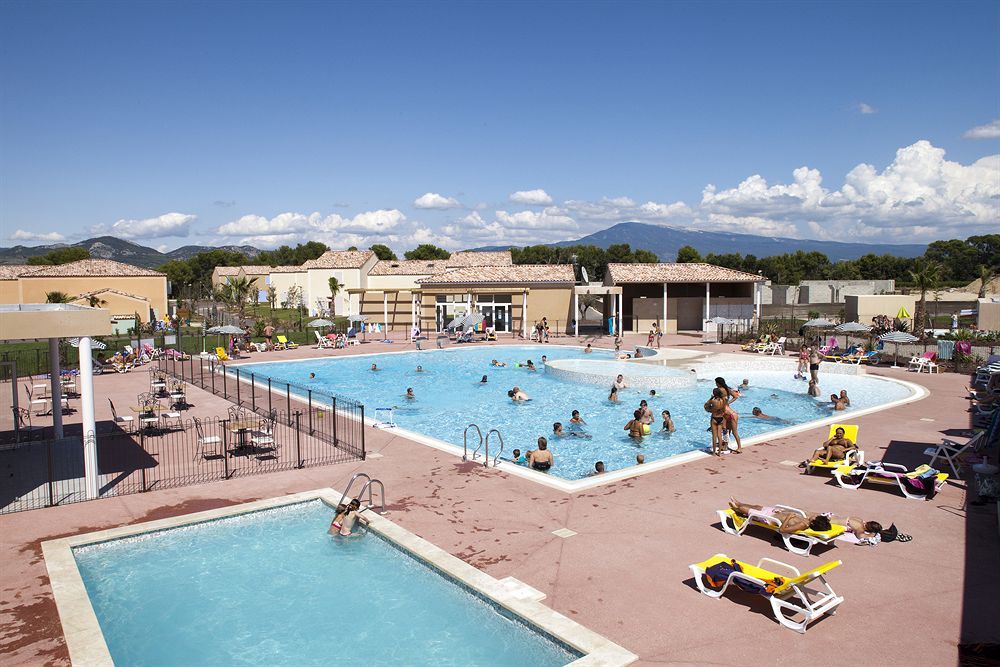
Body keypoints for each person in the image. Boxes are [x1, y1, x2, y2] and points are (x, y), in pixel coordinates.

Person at [727, 498, 905, 544]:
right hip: (822, 519)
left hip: (824, 517)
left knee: (760, 509)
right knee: (762, 507)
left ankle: (738, 506)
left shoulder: (859, 522)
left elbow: (859, 535)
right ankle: (739, 504)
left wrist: (869, 535)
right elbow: (859, 535)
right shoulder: (859, 524)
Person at [714, 377, 742, 453]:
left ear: (718, 383)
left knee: (734, 432)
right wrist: (728, 403)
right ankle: (725, 446)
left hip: (731, 415)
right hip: (728, 414)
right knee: (726, 431)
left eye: (716, 383)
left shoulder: (720, 390)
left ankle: (739, 447)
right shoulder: (727, 389)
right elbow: (736, 396)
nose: (715, 384)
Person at [704, 388, 728, 456]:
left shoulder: (713, 401)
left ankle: (714, 452)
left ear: (714, 394)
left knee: (714, 436)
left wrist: (711, 398)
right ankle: (719, 452)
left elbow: (706, 405)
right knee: (720, 436)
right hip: (721, 418)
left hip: (714, 418)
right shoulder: (724, 400)